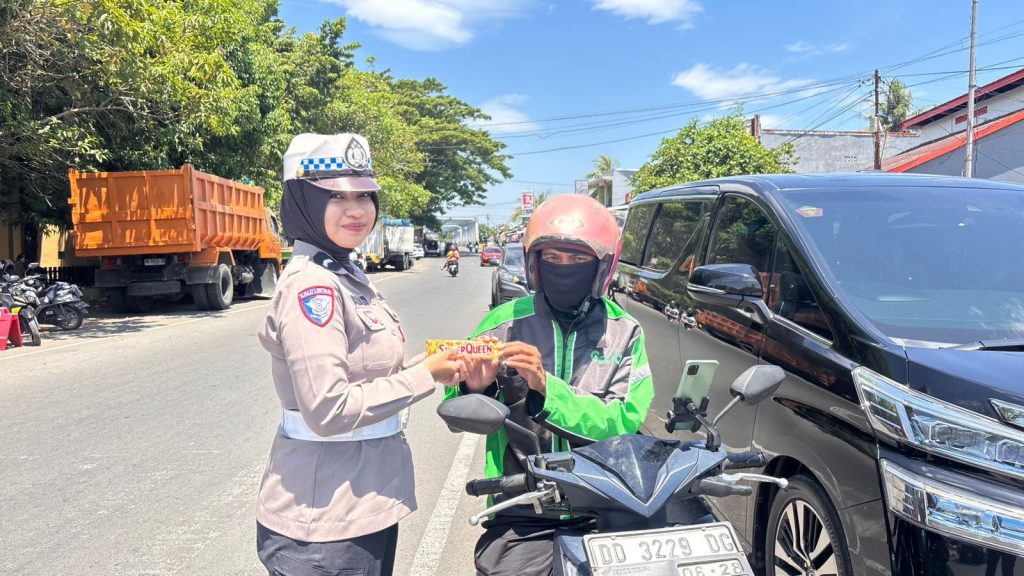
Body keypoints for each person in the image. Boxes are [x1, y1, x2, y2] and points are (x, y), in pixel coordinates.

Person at [255, 133, 464, 576]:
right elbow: (328, 408)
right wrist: (425, 376)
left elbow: (365, 376)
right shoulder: (312, 287)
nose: (356, 209)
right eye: (335, 196)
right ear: (303, 202)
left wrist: (437, 366)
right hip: (323, 522)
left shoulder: (346, 273)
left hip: (363, 501)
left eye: (364, 195)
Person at [447, 195, 655, 576]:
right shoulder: (503, 323)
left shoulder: (624, 331)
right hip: (523, 502)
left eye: (577, 259)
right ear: (534, 264)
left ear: (601, 267)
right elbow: (457, 413)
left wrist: (547, 389)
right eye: (552, 258)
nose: (564, 268)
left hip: (606, 499)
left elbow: (624, 419)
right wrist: (474, 389)